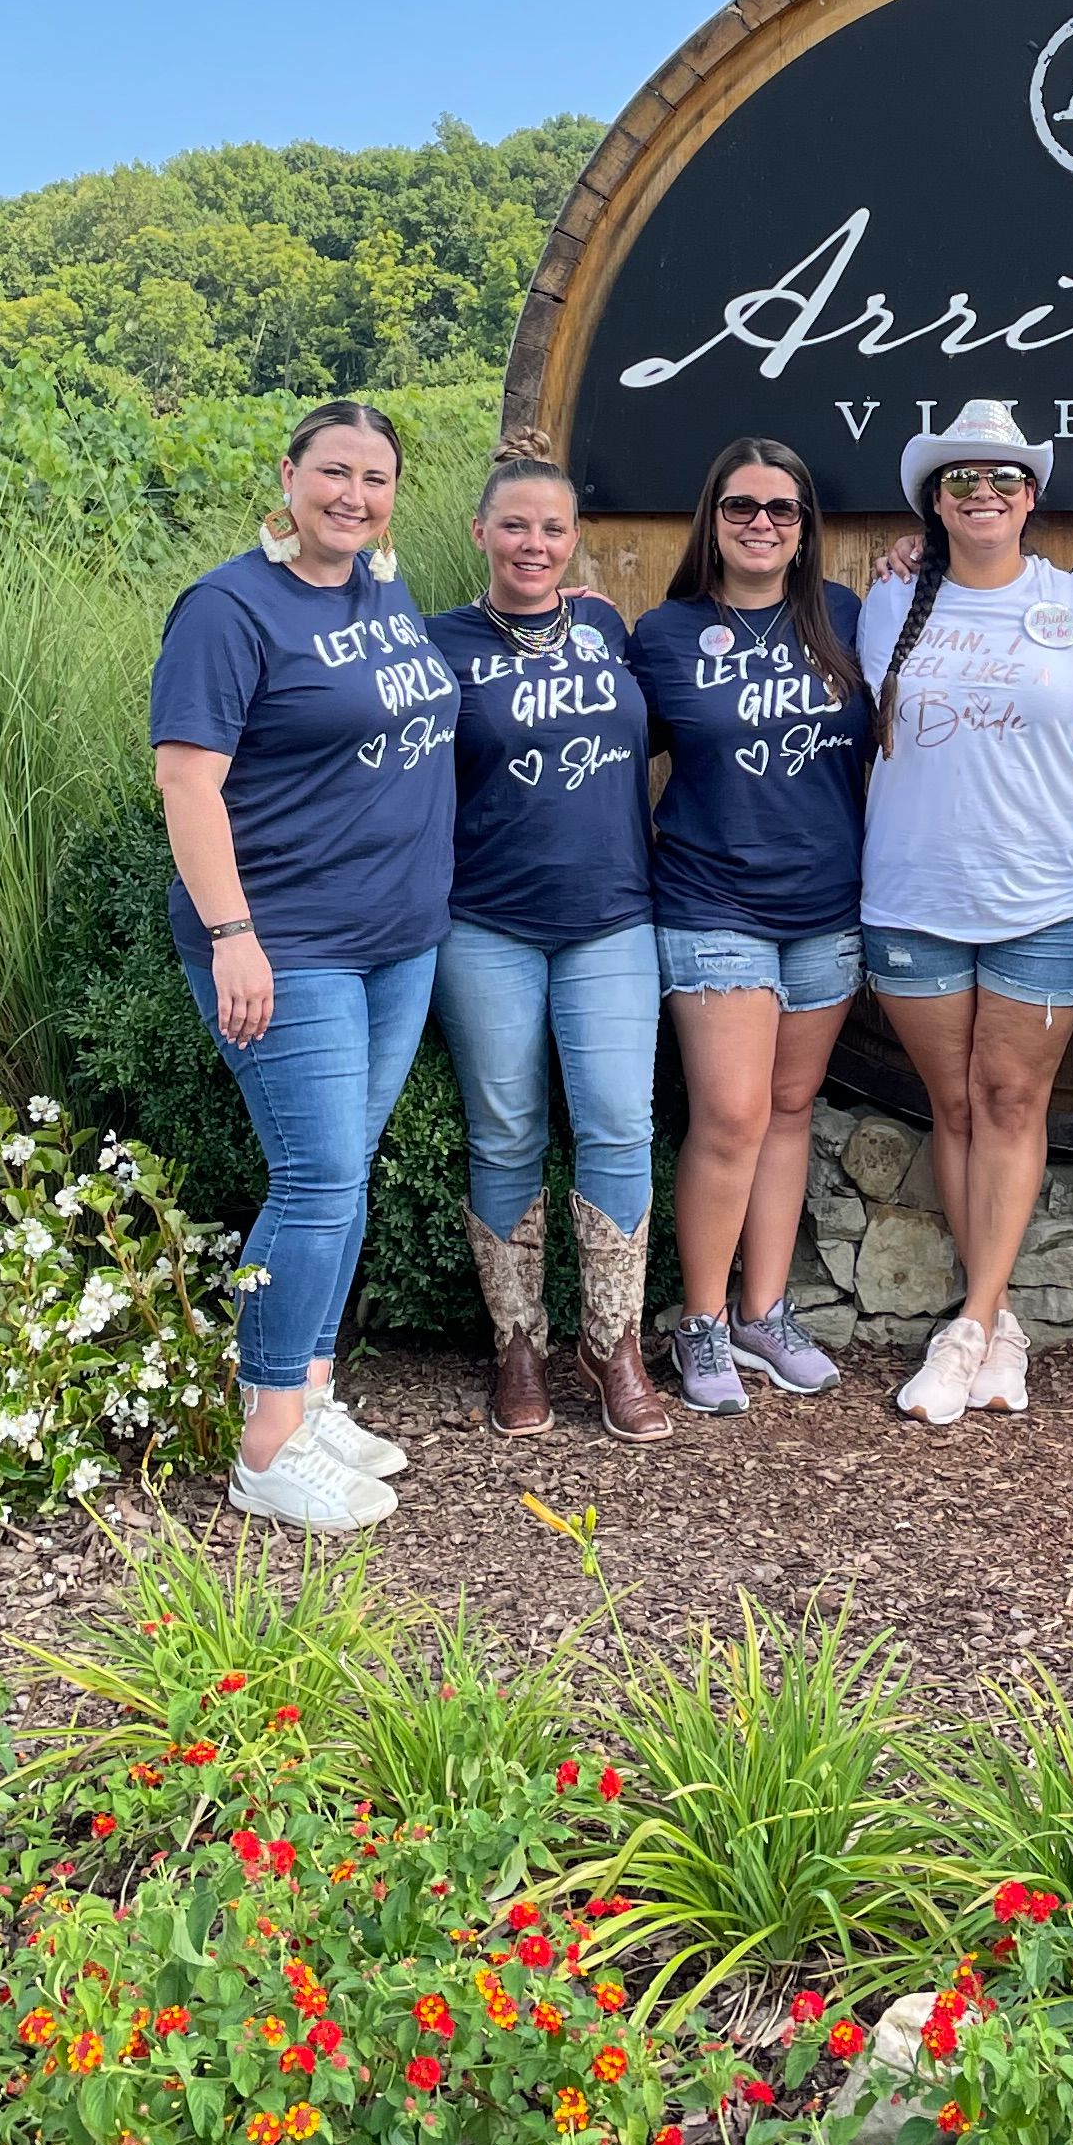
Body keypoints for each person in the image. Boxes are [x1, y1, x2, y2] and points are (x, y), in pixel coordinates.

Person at [151, 400, 457, 1533]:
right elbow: (188, 783)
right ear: (286, 476)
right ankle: (268, 1442)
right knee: (317, 1177)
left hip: (394, 937)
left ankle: (313, 1390)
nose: (354, 496)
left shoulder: (382, 587)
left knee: (345, 1173)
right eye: (334, 473)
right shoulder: (230, 609)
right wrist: (234, 935)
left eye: (376, 480)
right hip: (288, 943)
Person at [858, 401, 1073, 1429]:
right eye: (961, 479)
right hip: (914, 891)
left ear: (1032, 498)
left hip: (1048, 893)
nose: (983, 494)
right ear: (934, 499)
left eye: (1003, 479)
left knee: (1009, 1102)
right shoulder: (884, 600)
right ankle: (996, 1323)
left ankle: (967, 1329)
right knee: (955, 1107)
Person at [424, 441, 668, 1447]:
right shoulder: (438, 643)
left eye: (552, 528)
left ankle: (613, 1345)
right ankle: (517, 1343)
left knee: (617, 1122)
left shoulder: (608, 626)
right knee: (505, 1130)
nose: (533, 542)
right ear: (480, 534)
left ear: (575, 542)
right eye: (514, 525)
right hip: (486, 923)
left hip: (612, 917)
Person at [630, 441, 869, 1414]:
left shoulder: (845, 618)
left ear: (805, 527)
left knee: (788, 1107)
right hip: (711, 901)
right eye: (741, 506)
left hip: (825, 906)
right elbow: (601, 750)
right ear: (712, 519)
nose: (761, 522)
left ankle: (764, 1315)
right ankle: (701, 1322)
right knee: (728, 1113)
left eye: (781, 508)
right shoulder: (665, 633)